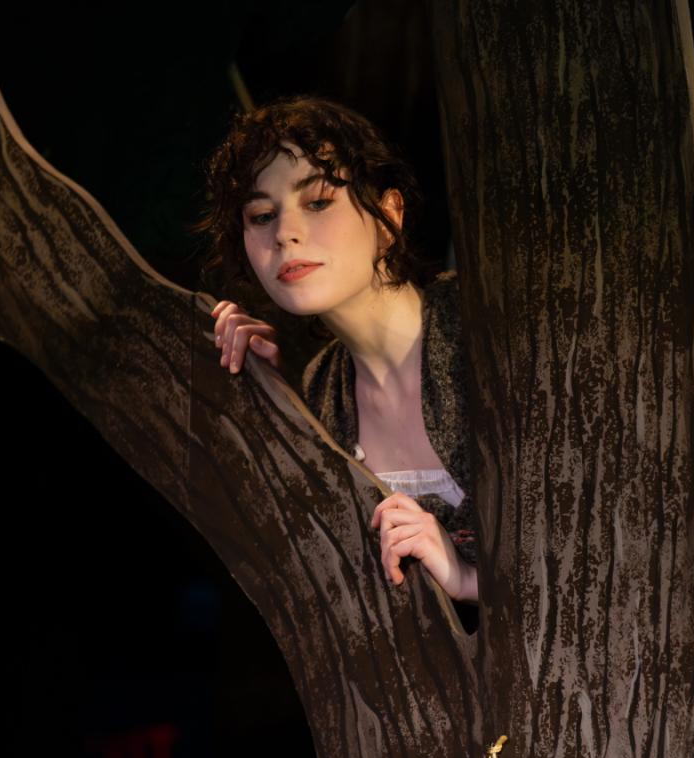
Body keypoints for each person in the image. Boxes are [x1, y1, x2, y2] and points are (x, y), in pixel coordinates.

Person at [192, 96, 479, 605]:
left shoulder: (482, 332)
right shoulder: (321, 390)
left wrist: (469, 581)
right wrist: (271, 403)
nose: (286, 233)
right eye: (261, 215)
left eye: (318, 202)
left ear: (388, 215)